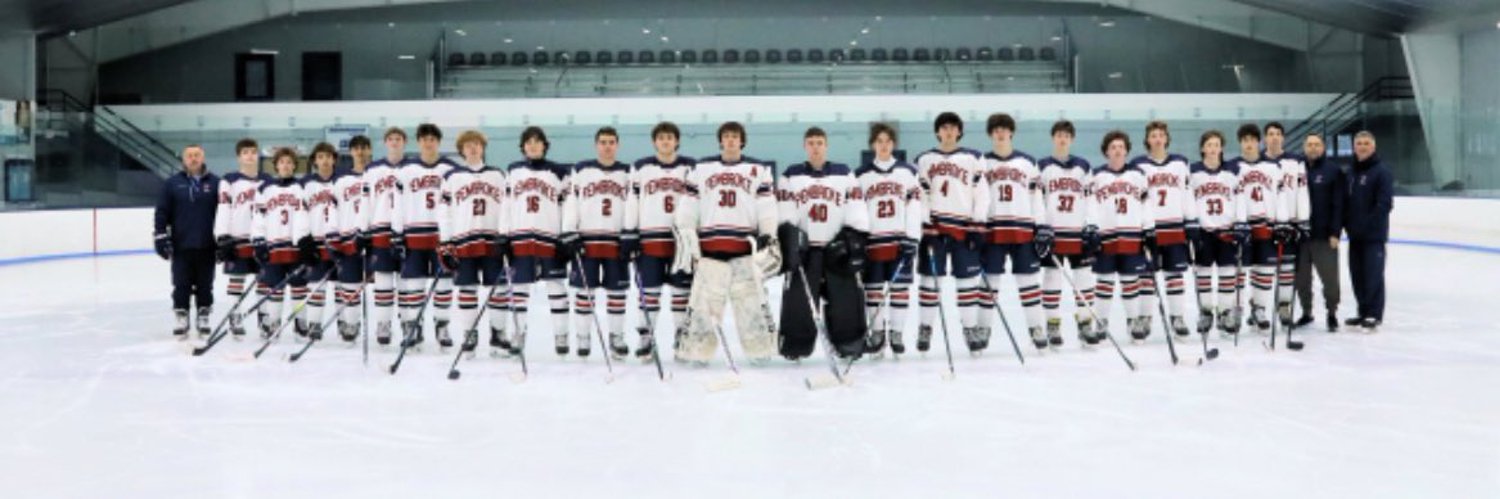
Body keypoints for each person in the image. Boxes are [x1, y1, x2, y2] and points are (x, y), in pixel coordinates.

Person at [674, 121, 779, 366]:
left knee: (750, 302)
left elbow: (766, 206)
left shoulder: (758, 169)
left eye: (735, 136)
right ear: (720, 140)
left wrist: (768, 233)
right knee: (704, 304)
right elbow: (689, 204)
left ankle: (759, 350)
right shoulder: (702, 168)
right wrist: (687, 229)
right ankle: (698, 352)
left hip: (744, 247)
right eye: (726, 136)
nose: (730, 140)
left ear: (742, 140)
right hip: (710, 248)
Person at [777, 126, 871, 359]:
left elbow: (855, 205)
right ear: (804, 146)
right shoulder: (791, 175)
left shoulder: (844, 173)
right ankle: (796, 346)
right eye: (811, 143)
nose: (815, 147)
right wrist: (791, 238)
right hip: (806, 250)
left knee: (846, 299)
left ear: (826, 146)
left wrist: (852, 236)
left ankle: (849, 343)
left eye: (819, 142)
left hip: (835, 248)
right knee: (799, 301)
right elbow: (786, 209)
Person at [914, 112, 989, 353]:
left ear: (959, 131)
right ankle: (925, 327)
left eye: (952, 128)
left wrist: (978, 225)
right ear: (937, 131)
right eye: (944, 127)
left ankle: (969, 328)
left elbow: (982, 194)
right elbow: (920, 195)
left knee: (967, 281)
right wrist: (925, 223)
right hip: (934, 229)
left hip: (964, 229)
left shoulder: (973, 158)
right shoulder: (924, 159)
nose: (948, 131)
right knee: (929, 281)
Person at [977, 113, 1047, 351]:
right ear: (990, 134)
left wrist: (1042, 225)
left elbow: (1037, 197)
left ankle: (1036, 327)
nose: (1000, 133)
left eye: (1004, 129)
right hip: (993, 230)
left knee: (1028, 282)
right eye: (996, 130)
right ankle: (983, 327)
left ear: (1011, 133)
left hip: (1022, 230)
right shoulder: (982, 162)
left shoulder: (1028, 162)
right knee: (989, 283)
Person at [561, 127, 633, 358]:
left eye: (612, 142)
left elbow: (633, 204)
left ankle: (616, 337)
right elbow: (571, 201)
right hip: (587, 241)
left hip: (616, 240)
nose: (607, 146)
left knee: (617, 292)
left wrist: (631, 232)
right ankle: (583, 337)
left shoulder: (627, 172)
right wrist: (569, 231)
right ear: (596, 145)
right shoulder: (582, 170)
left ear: (618, 145)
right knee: (584, 292)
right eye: (603, 142)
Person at [628, 122, 695, 360]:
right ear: (654, 142)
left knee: (681, 291)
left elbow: (698, 202)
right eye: (661, 138)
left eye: (670, 137)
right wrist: (630, 232)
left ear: (677, 141)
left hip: (681, 242)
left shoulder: (690, 167)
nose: (665, 141)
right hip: (650, 239)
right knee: (649, 291)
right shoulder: (641, 167)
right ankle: (646, 337)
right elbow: (632, 201)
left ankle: (681, 336)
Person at [503, 126, 572, 356]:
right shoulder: (512, 171)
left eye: (537, 141)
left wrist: (567, 234)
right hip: (520, 237)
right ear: (523, 146)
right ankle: (519, 332)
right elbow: (506, 205)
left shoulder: (559, 172)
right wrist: (504, 235)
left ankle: (561, 333)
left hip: (549, 237)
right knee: (520, 287)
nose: (532, 145)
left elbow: (568, 205)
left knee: (556, 286)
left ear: (545, 145)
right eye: (528, 142)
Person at [437, 130, 508, 353]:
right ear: (461, 150)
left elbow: (508, 208)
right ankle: (469, 332)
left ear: (483, 147)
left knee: (498, 288)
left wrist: (506, 235)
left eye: (477, 144)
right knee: (467, 289)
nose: (473, 148)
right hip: (463, 240)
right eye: (468, 145)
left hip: (492, 240)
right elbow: (444, 211)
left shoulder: (498, 175)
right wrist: (446, 240)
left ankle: (498, 332)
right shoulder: (451, 177)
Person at [856, 122, 922, 356]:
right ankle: (877, 333)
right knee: (873, 290)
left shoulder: (908, 172)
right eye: (879, 141)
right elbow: (857, 210)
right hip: (873, 241)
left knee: (899, 288)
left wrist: (912, 237)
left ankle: (896, 333)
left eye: (888, 141)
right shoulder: (861, 175)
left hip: (899, 240)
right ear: (873, 144)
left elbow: (915, 206)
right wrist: (858, 241)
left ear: (894, 144)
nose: (884, 146)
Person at [393, 123, 458, 348]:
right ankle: (414, 325)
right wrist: (397, 233)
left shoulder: (451, 170)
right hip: (414, 235)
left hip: (442, 236)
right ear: (418, 142)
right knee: (414, 283)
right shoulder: (406, 172)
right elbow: (397, 204)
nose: (428, 143)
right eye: (424, 139)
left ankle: (442, 325)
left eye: (432, 139)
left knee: (443, 283)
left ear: (438, 142)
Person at [1088, 130, 1154, 344]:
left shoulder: (1138, 175)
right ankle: (1101, 321)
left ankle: (1133, 320)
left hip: (1132, 235)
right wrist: (1091, 228)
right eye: (1113, 147)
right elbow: (1090, 204)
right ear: (1106, 151)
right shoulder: (1096, 175)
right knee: (1104, 281)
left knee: (1130, 281)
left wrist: (1149, 228)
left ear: (1126, 150)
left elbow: (1147, 204)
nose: (1117, 150)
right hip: (1105, 236)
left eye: (1121, 147)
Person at [1132, 121, 1194, 338]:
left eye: (1161, 135)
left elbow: (1188, 194)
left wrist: (1191, 222)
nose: (1157, 139)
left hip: (1175, 228)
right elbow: (1136, 199)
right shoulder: (1138, 165)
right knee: (1147, 277)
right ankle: (1145, 317)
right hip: (1150, 229)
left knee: (1174, 275)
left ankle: (1177, 316)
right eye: (1153, 135)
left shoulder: (1180, 163)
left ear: (1167, 138)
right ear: (1147, 140)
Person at [1036, 120, 1095, 348]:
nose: (1062, 139)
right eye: (1059, 135)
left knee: (1084, 278)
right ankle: (1052, 324)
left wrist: (1091, 225)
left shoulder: (1083, 166)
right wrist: (1041, 226)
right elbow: (1037, 200)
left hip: (1078, 231)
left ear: (1071, 139)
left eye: (1066, 135)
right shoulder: (1042, 166)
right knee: (1052, 278)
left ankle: (1084, 322)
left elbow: (1090, 198)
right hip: (1053, 232)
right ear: (1053, 138)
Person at [154, 144, 221, 339]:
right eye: (189, 155)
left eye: (197, 155)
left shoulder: (216, 183)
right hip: (181, 245)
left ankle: (203, 315)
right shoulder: (172, 184)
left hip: (208, 245)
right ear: (184, 159)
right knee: (181, 284)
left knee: (205, 284)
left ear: (203, 157)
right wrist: (160, 236)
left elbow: (224, 213)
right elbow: (162, 212)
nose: (193, 158)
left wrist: (224, 240)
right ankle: (181, 315)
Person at [1187, 130, 1250, 338]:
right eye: (1209, 145)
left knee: (1227, 273)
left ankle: (1225, 312)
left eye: (1216, 145)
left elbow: (1240, 198)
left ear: (1221, 148)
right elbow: (1188, 199)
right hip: (1204, 231)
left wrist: (1241, 223)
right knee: (1203, 273)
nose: (1213, 149)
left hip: (1226, 230)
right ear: (1203, 148)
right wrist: (1191, 222)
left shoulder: (1232, 171)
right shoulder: (1193, 172)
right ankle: (1206, 312)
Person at [251, 148, 317, 338]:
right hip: (274, 247)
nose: (286, 165)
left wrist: (305, 241)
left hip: (296, 248)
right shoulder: (265, 188)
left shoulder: (301, 187)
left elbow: (306, 216)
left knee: (299, 288)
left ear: (294, 165)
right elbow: (258, 217)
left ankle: (300, 321)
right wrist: (259, 242)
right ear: (276, 165)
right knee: (275, 288)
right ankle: (273, 321)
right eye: (282, 162)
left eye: (289, 162)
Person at [213, 138, 272, 339]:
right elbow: (223, 208)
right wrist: (222, 236)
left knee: (264, 281)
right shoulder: (229, 180)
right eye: (245, 152)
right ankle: (235, 315)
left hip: (262, 239)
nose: (250, 155)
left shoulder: (268, 180)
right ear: (239, 156)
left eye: (253, 152)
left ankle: (265, 317)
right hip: (238, 238)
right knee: (236, 279)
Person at [1231, 123, 1284, 334]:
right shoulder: (1232, 167)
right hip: (1242, 226)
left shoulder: (1272, 167)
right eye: (1245, 140)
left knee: (1264, 269)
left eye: (1253, 139)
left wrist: (1282, 222)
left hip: (1266, 224)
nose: (1249, 143)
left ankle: (1259, 308)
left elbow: (1280, 195)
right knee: (1239, 270)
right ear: (1240, 143)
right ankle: (1237, 309)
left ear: (1258, 141)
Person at [1294, 133, 1344, 332]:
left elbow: (1339, 204)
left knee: (1330, 280)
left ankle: (1331, 313)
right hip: (1301, 238)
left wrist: (1335, 233)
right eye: (1309, 144)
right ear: (1304, 147)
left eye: (1317, 144)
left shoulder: (1333, 171)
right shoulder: (1297, 170)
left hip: (1324, 237)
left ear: (1323, 147)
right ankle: (1307, 312)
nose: (1313, 148)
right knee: (1302, 280)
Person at [1263, 122, 1312, 327]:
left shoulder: (1296, 161)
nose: (1274, 137)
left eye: (1278, 134)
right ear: (1265, 138)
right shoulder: (1257, 162)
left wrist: (1303, 220)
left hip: (1290, 223)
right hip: (1265, 224)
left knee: (1286, 269)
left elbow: (1302, 190)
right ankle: (1258, 308)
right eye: (1270, 134)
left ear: (1283, 137)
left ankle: (1284, 306)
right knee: (1262, 269)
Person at [362, 128, 407, 345]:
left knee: (408, 281)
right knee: (383, 280)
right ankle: (383, 323)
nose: (395, 142)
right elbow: (366, 201)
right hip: (381, 229)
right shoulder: (373, 169)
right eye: (391, 139)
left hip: (407, 231)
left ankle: (409, 324)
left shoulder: (412, 168)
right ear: (385, 142)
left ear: (404, 142)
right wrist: (363, 229)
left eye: (398, 139)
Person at [1344, 131, 1392, 332]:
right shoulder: (1351, 172)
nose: (1362, 146)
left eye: (1366, 143)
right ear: (1354, 147)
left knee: (1373, 275)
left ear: (1373, 147)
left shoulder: (1381, 171)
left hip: (1373, 236)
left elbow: (1384, 204)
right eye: (1359, 143)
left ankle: (1374, 314)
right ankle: (1363, 311)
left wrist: (1366, 226)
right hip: (1354, 236)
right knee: (1357, 275)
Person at [329, 135, 373, 342]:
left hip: (374, 238)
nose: (361, 152)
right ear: (351, 152)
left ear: (370, 150)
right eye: (356, 148)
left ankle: (390, 325)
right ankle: (352, 323)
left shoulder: (378, 174)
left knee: (385, 285)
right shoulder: (340, 179)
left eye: (364, 147)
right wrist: (333, 237)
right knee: (350, 284)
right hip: (348, 237)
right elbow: (332, 209)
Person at [297, 142, 340, 340]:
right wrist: (304, 239)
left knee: (343, 285)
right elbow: (300, 213)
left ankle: (345, 323)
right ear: (315, 160)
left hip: (339, 242)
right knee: (316, 285)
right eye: (320, 156)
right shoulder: (305, 183)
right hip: (316, 242)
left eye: (328, 156)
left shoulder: (343, 180)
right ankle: (314, 324)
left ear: (334, 159)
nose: (324, 160)